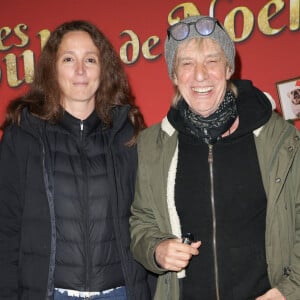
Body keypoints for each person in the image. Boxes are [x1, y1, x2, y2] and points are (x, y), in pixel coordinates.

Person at [130, 15, 300, 300]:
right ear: (174, 75)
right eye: (186, 63)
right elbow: (141, 221)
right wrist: (157, 249)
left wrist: (287, 291)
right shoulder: (151, 145)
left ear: (228, 67)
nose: (200, 75)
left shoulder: (281, 140)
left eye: (211, 60)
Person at [0, 20, 152, 300]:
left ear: (103, 69)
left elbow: (146, 223)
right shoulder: (23, 136)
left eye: (90, 60)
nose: (80, 70)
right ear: (51, 69)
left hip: (119, 294)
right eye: (69, 59)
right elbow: (6, 228)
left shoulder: (127, 135)